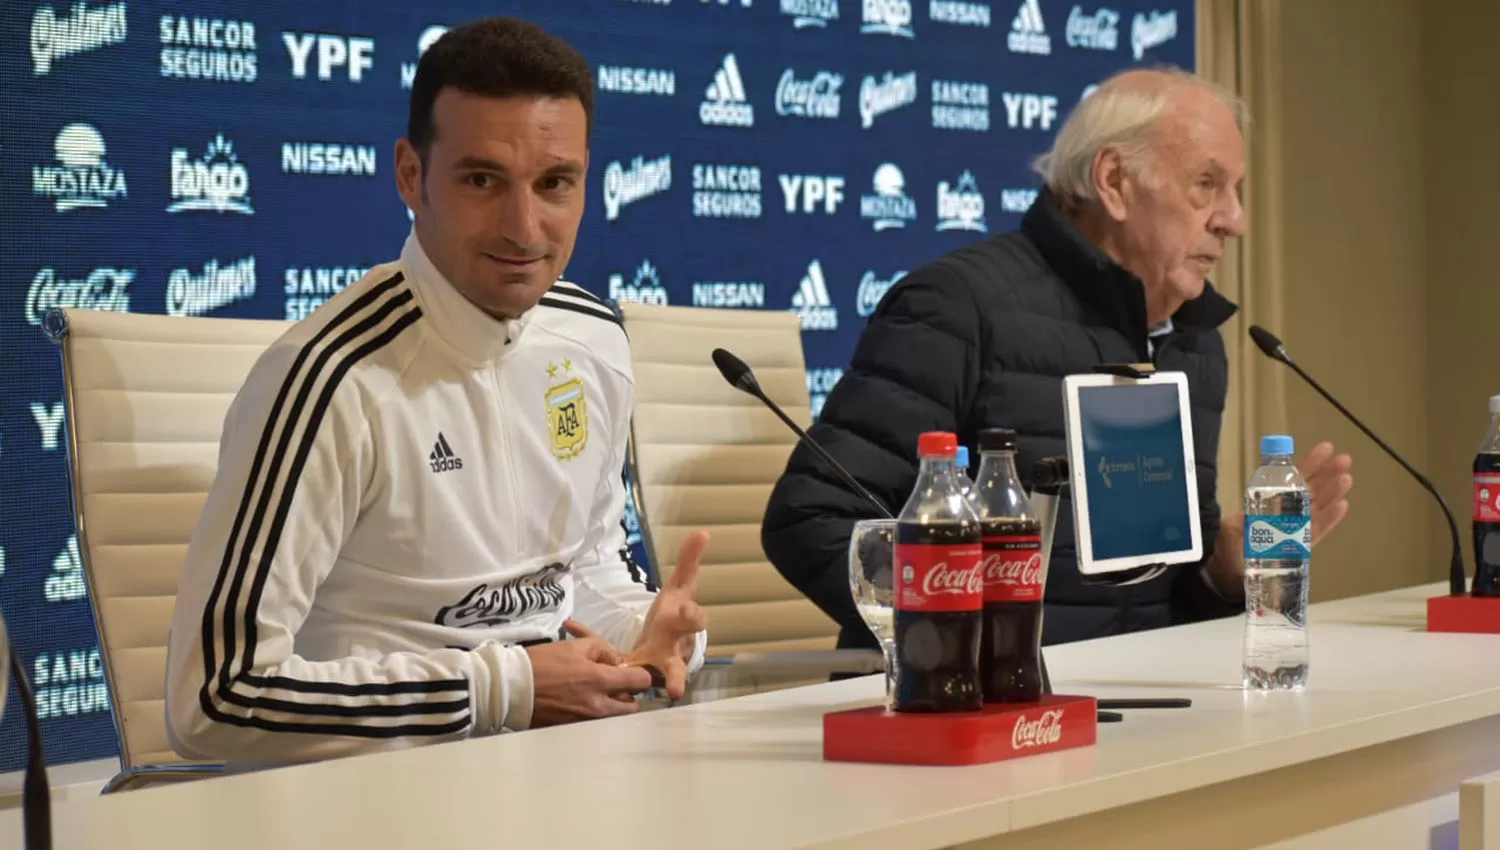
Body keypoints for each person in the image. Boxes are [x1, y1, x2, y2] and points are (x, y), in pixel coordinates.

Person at [165, 16, 709, 765]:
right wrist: (502, 691)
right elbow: (215, 696)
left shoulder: (594, 339)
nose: (525, 228)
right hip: (373, 799)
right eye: (482, 180)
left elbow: (578, 572)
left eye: (555, 184)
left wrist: (648, 632)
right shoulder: (330, 378)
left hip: (560, 775)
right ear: (411, 176)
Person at [761, 68, 1355, 651]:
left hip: (1146, 707)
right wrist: (964, 642)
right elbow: (812, 521)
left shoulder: (1195, 343)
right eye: (1206, 184)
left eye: (1236, 191)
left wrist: (1220, 574)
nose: (1235, 220)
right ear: (1115, 181)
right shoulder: (960, 308)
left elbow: (1156, 606)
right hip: (978, 713)